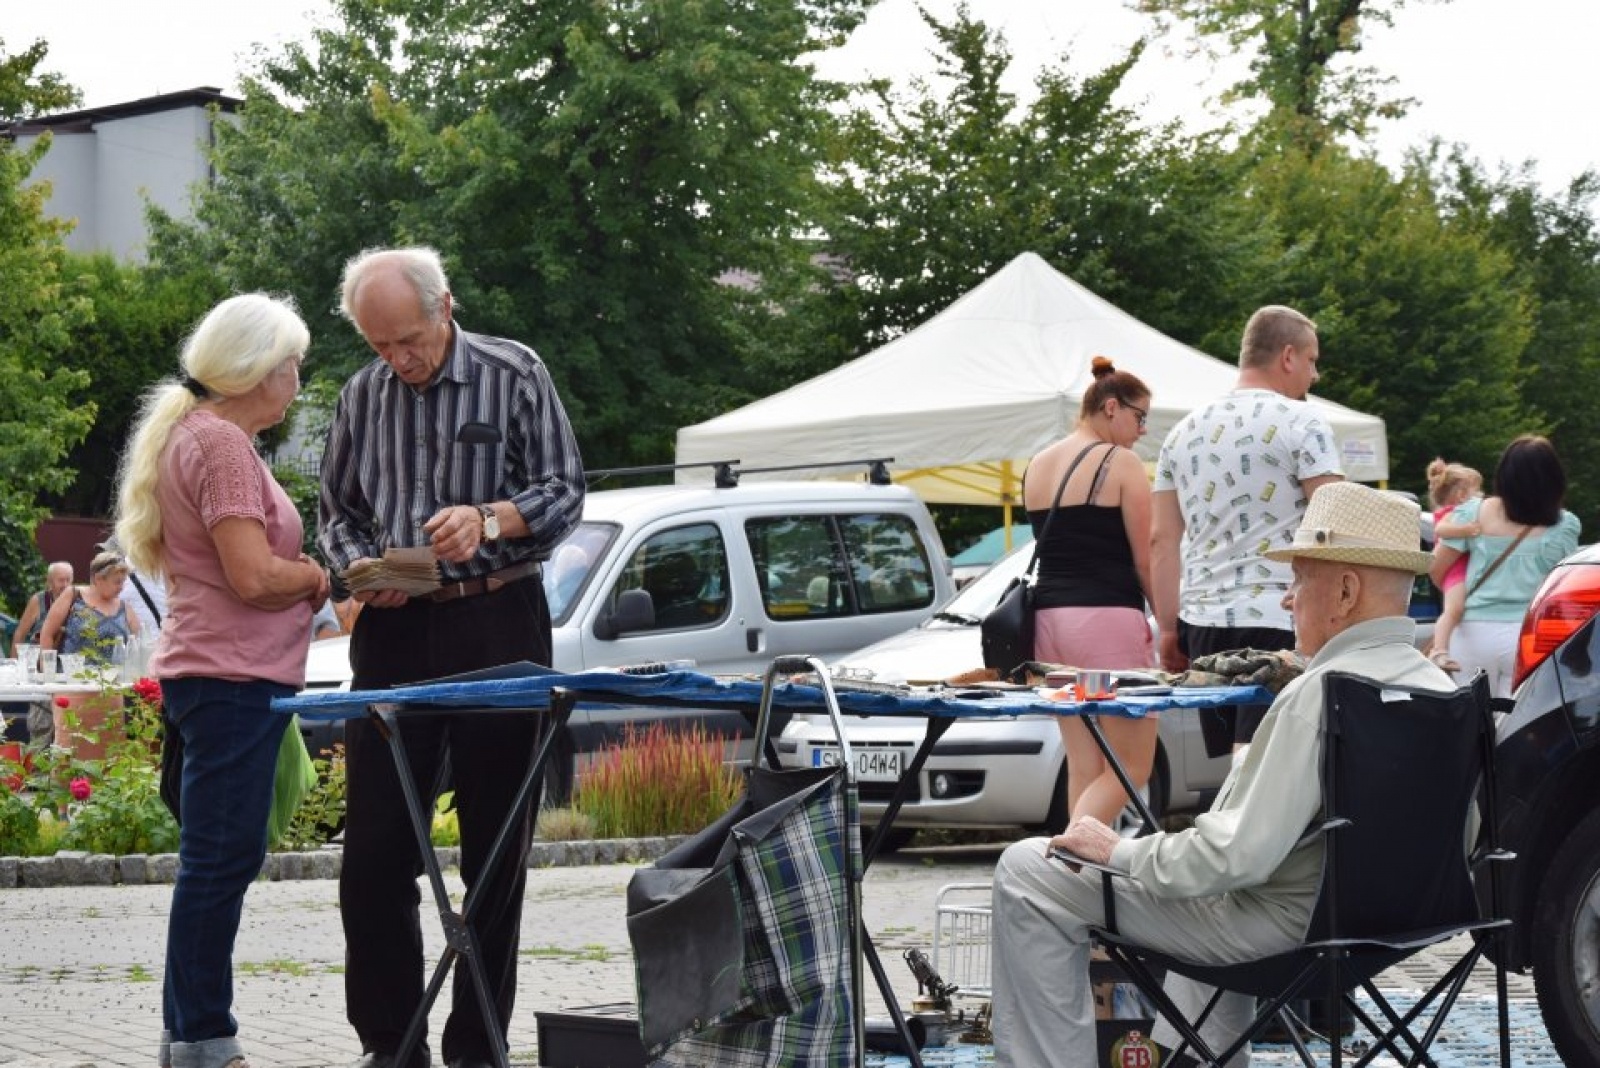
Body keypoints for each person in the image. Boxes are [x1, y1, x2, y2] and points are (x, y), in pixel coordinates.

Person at [991, 482, 1449, 1068]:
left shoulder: (1321, 697)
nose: (1288, 601)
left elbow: (1233, 860)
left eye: (1299, 579)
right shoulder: (1442, 691)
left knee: (1029, 869)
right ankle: (1192, 1058)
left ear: (1344, 590)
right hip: (1399, 926)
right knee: (1202, 873)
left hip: (1287, 936)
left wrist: (1117, 851)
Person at [318, 246, 585, 1068]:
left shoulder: (515, 371)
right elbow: (334, 513)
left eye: (408, 339)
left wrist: (491, 518)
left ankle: (478, 1046)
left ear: (446, 308)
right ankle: (390, 1044)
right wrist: (362, 571)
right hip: (394, 632)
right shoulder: (361, 394)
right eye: (379, 344)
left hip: (498, 620)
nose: (398, 359)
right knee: (372, 854)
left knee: (494, 852)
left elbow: (565, 488)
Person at [112, 292, 331, 1068]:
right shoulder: (225, 447)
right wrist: (317, 577)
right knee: (220, 860)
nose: (298, 379)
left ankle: (189, 1036)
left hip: (214, 674)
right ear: (256, 370)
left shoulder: (194, 436)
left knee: (214, 858)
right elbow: (251, 575)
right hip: (231, 677)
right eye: (290, 364)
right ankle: (205, 1035)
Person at [1150, 304, 1343, 754]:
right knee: (1267, 762)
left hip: (1202, 622)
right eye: (1313, 360)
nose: (1314, 375)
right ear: (1289, 356)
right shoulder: (1304, 420)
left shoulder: (1180, 433)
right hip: (1281, 613)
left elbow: (1161, 540)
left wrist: (1167, 628)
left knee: (1234, 767)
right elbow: (1333, 517)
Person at [1024, 356, 1156, 828]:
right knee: (1132, 764)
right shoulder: (1121, 463)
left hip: (1051, 631)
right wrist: (1171, 629)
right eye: (1140, 417)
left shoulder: (1037, 465)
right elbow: (1146, 559)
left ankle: (1077, 884)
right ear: (1112, 407)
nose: (1142, 430)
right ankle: (1069, 858)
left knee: (1086, 763)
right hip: (1106, 631)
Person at [1430, 435, 1579, 698]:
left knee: (1469, 724)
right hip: (1529, 636)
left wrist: (1456, 597)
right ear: (1554, 479)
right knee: (1518, 727)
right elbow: (1564, 585)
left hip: (1471, 632)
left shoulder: (1473, 513)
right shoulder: (1564, 525)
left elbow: (1437, 568)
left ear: (1504, 476)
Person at [1424, 458, 1484, 672]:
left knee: (1456, 610)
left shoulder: (1457, 512)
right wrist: (1466, 531)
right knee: (1453, 609)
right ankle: (1438, 650)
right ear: (1461, 495)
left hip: (1457, 568)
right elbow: (1440, 529)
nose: (1480, 497)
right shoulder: (1455, 514)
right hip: (1455, 570)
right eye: (1477, 492)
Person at [38, 549, 142, 660]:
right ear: (98, 579)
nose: (121, 587)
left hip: (114, 676)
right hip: (71, 675)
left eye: (123, 582)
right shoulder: (73, 595)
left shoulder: (124, 607)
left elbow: (140, 641)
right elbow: (47, 633)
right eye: (117, 582)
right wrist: (47, 671)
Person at [10, 561, 72, 656]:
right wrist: (13, 664)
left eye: (68, 580)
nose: (65, 585)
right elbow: (20, 633)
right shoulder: (39, 600)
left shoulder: (77, 600)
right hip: (39, 660)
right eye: (61, 580)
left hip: (68, 660)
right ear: (49, 581)